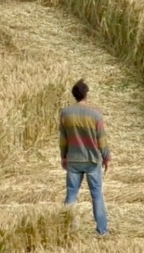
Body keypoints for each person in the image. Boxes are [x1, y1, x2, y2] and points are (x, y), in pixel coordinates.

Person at [59, 79, 110, 236]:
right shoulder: (94, 115)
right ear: (86, 94)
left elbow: (62, 139)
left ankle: (66, 229)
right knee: (96, 195)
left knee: (71, 194)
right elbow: (101, 138)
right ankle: (101, 230)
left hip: (73, 159)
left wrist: (63, 157)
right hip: (92, 160)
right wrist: (106, 157)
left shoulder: (65, 114)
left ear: (74, 95)